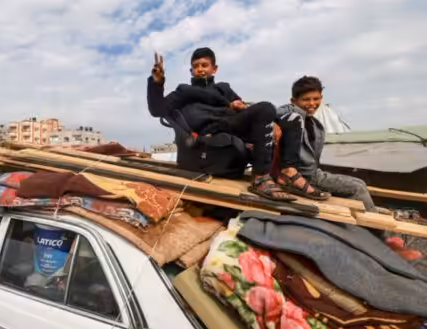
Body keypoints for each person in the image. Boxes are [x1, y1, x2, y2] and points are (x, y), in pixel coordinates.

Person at [147, 47, 294, 201]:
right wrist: (156, 83)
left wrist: (269, 119)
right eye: (196, 66)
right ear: (191, 71)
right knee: (266, 108)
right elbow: (157, 110)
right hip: (209, 132)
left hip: (232, 126)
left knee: (287, 118)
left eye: (204, 65)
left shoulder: (224, 88)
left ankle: (288, 173)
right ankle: (260, 178)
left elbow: (244, 109)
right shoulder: (184, 91)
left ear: (214, 69)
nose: (200, 70)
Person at [276, 76, 375, 209]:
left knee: (360, 183)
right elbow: (276, 112)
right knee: (358, 188)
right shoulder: (290, 117)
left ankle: (367, 212)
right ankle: (371, 226)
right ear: (293, 101)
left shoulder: (316, 125)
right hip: (302, 176)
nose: (312, 103)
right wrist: (272, 122)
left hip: (314, 172)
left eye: (316, 99)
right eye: (306, 99)